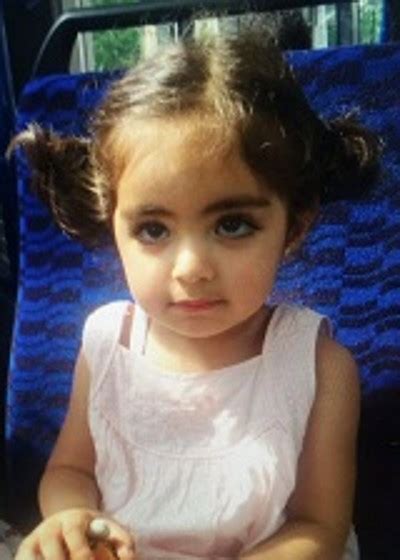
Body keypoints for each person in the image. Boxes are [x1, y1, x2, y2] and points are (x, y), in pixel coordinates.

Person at [11, 23, 380, 560]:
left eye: (232, 225)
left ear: (294, 227)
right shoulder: (106, 344)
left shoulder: (319, 366)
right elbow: (70, 470)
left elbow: (318, 526)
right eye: (152, 230)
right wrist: (75, 520)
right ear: (114, 225)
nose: (190, 269)